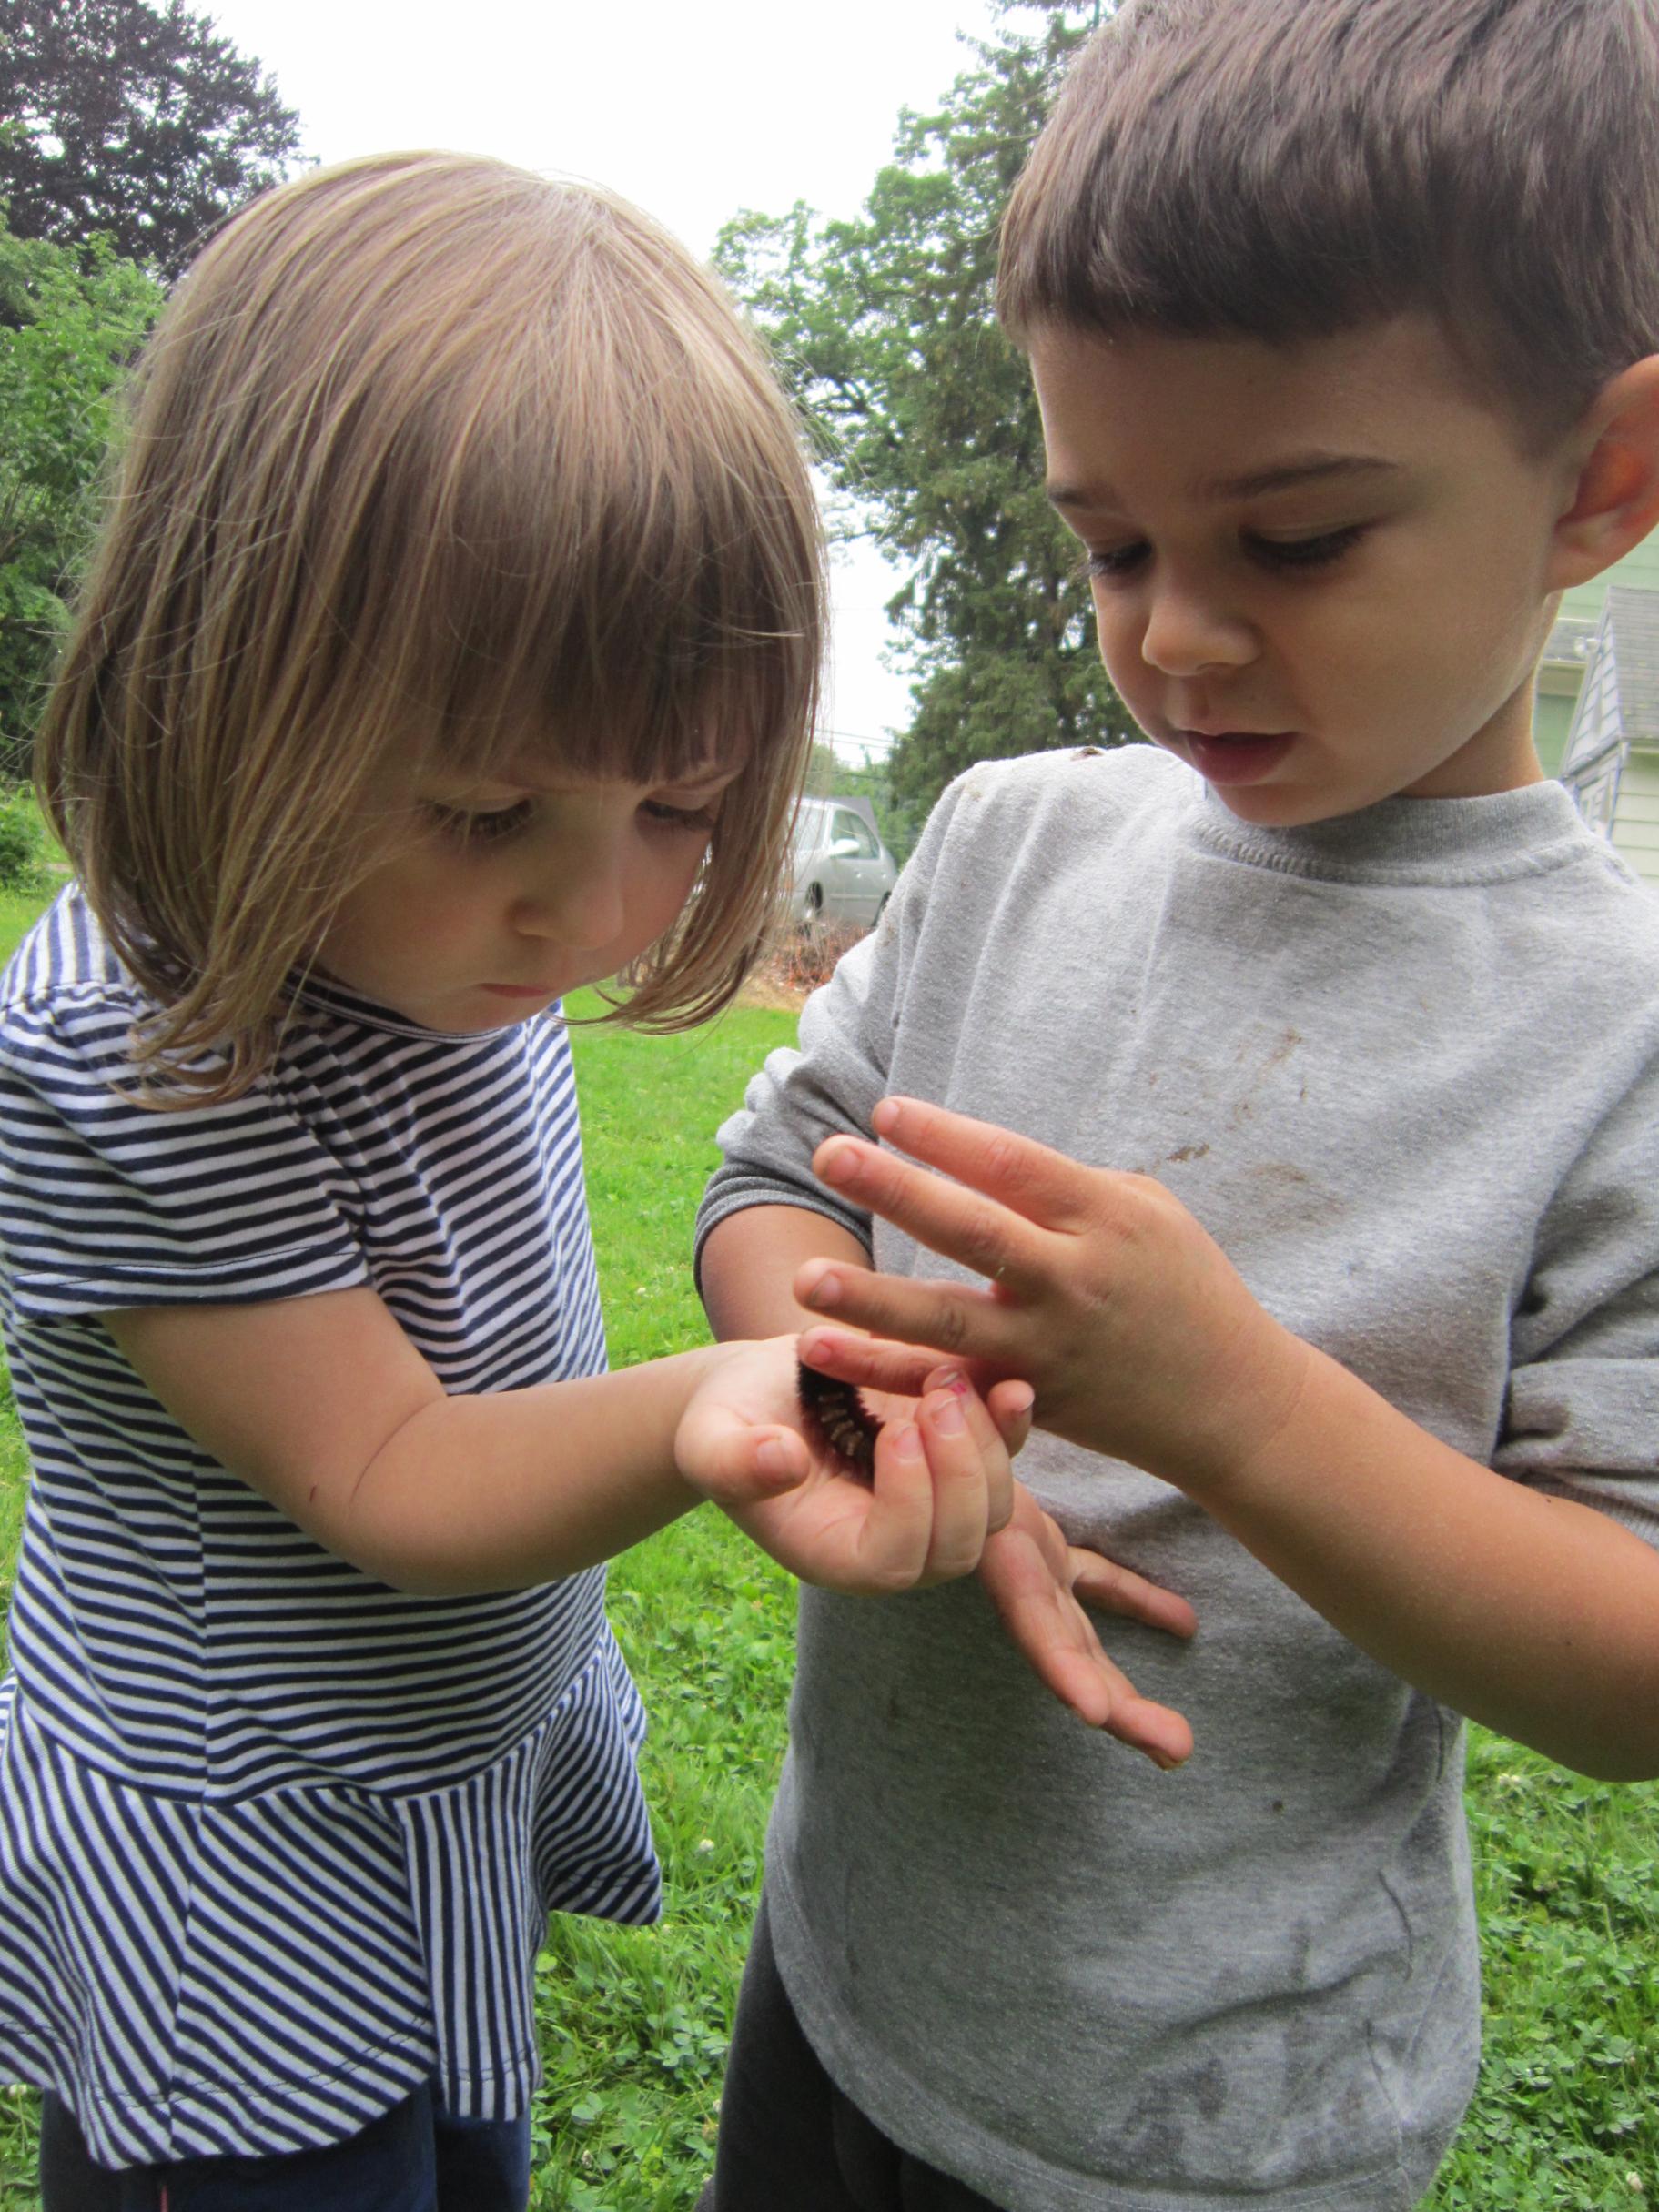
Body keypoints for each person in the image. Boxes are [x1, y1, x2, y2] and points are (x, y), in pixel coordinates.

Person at [0, 151, 1124, 2212]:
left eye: (677, 804)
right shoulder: (129, 1044)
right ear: (225, 670)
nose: (584, 902)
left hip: (441, 1791)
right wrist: (716, 1405)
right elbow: (397, 1472)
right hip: (249, 1852)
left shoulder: (432, 923)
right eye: (486, 803)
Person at [693, 4, 1659, 2207]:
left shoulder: (1615, 1028)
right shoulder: (1017, 836)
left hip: (1220, 2126)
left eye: (1297, 540)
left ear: (1599, 483)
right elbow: (770, 1182)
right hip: (846, 1964)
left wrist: (1229, 1401)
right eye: (1114, 544)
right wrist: (865, 1385)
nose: (1183, 638)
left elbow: (1634, 1667)